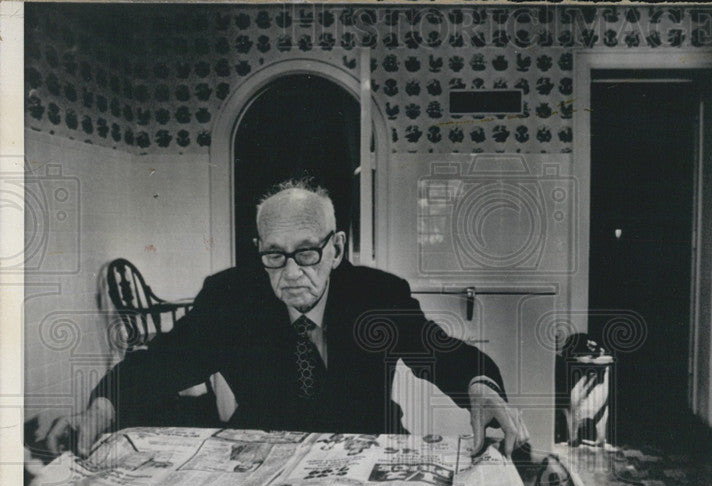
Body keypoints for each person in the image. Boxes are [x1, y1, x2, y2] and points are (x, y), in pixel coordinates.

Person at [45, 179, 529, 458]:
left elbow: (442, 354)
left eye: (307, 253)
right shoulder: (229, 297)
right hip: (262, 451)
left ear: (336, 248)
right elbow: (161, 363)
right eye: (275, 255)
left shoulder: (376, 295)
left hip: (367, 444)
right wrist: (102, 407)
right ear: (259, 251)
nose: (292, 273)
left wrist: (481, 388)